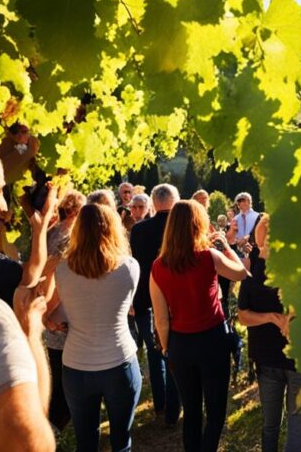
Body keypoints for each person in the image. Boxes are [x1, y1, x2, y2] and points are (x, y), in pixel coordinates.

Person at [150, 201, 249, 452]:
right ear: (199, 224)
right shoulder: (209, 256)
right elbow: (240, 274)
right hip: (212, 341)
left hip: (180, 344)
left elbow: (161, 319)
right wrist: (227, 246)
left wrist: (165, 348)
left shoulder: (158, 266)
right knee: (215, 412)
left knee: (191, 412)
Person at [51, 204, 141, 452]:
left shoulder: (63, 270)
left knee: (86, 442)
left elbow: (61, 311)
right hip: (119, 361)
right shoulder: (130, 267)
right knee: (121, 442)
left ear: (78, 230)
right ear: (113, 229)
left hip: (77, 366)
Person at [0, 152, 55, 451]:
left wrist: (40, 228)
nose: (4, 207)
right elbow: (30, 444)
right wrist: (31, 335)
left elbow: (26, 276)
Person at [238, 214, 301, 452]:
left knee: (291, 425)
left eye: (265, 244)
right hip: (275, 358)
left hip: (293, 359)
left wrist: (288, 316)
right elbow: (242, 315)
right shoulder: (256, 273)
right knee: (280, 424)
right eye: (260, 245)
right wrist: (273, 317)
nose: (261, 250)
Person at [129, 184, 180, 425]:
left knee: (154, 353)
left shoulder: (139, 230)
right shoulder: (182, 227)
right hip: (177, 300)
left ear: (152, 203)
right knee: (176, 354)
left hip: (145, 299)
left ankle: (160, 404)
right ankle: (173, 407)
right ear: (176, 200)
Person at [38, 189, 85, 432]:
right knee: (71, 375)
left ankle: (54, 422)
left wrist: (45, 315)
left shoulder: (49, 233)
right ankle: (61, 424)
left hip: (50, 309)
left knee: (56, 371)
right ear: (78, 210)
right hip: (66, 310)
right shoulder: (74, 237)